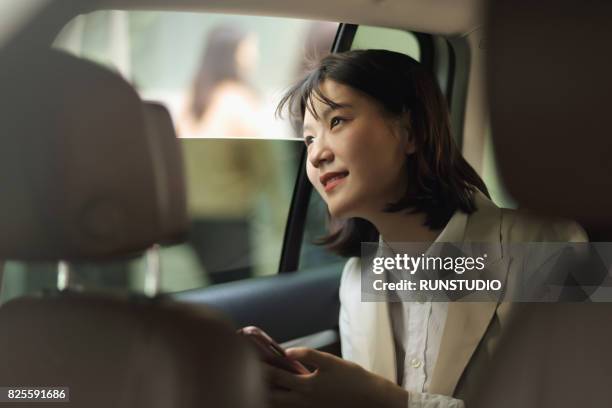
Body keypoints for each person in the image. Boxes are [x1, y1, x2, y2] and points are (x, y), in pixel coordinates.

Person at [270, 49, 587, 407]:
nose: (315, 155)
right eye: (308, 138)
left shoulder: (553, 243)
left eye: (337, 122)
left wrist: (390, 401)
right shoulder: (356, 277)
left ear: (411, 131)